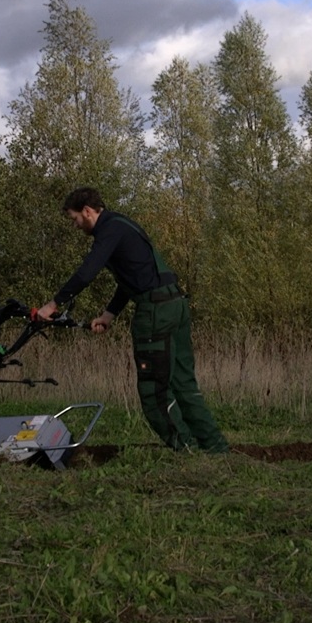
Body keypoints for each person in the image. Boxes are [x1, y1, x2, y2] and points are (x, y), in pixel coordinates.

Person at [35, 186, 229, 454]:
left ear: (88, 211)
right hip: (175, 305)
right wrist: (109, 314)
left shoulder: (107, 231)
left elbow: (87, 271)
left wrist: (52, 305)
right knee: (184, 384)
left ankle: (189, 453)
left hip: (156, 313)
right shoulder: (122, 225)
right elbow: (134, 276)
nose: (76, 226)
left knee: (154, 391)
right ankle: (216, 449)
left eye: (75, 219)